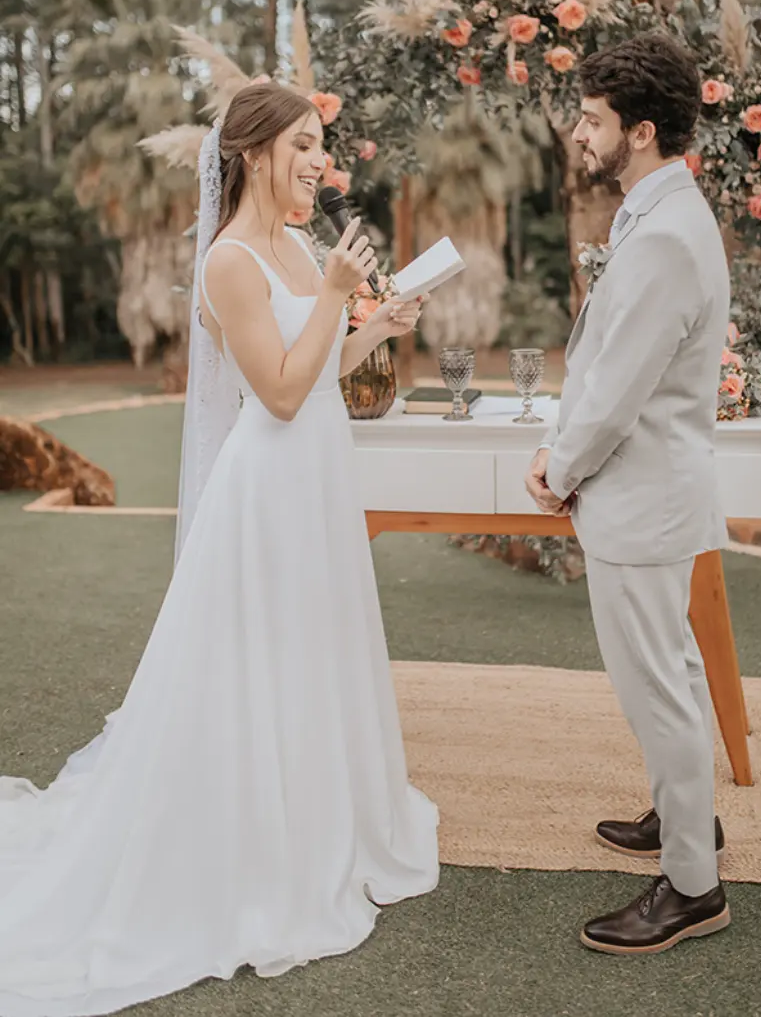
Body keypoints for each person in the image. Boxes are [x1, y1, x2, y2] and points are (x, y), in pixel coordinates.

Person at [0, 81, 438, 1015]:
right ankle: (256, 844)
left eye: (325, 146)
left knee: (312, 653)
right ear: (253, 152)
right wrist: (333, 297)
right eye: (307, 146)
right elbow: (276, 394)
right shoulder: (233, 260)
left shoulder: (299, 242)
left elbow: (320, 372)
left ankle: (324, 819)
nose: (322, 162)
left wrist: (377, 330)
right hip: (268, 489)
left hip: (316, 479)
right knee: (259, 663)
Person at [526, 33, 731, 955]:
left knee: (660, 688)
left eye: (595, 120)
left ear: (640, 133)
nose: (580, 132)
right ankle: (680, 817)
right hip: (651, 492)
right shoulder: (660, 217)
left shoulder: (667, 237)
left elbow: (615, 392)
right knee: (673, 676)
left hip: (640, 497)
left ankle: (692, 886)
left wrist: (557, 469)